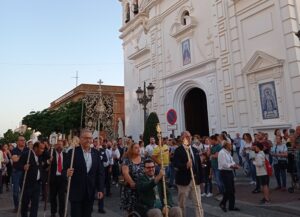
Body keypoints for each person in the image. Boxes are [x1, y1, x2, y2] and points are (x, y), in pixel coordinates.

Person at [65, 129, 105, 217]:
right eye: (86, 138)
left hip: (90, 192)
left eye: (90, 138)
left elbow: (100, 173)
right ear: (80, 138)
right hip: (76, 192)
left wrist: (100, 189)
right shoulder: (73, 152)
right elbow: (65, 169)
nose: (88, 140)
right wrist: (67, 173)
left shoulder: (96, 153)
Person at [173, 131, 203, 217]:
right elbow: (175, 164)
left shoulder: (194, 150)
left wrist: (201, 180)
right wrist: (185, 166)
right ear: (182, 139)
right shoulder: (178, 151)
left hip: (195, 180)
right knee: (182, 204)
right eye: (186, 137)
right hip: (183, 182)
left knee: (198, 203)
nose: (189, 138)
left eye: (190, 136)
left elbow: (198, 166)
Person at [18, 141, 47, 217]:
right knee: (25, 204)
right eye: (41, 148)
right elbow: (18, 165)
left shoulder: (40, 156)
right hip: (27, 184)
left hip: (37, 184)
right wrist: (24, 167)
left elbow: (41, 165)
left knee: (35, 204)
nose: (42, 150)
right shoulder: (26, 155)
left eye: (43, 149)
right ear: (35, 148)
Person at [120, 143, 145, 214]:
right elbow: (125, 173)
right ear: (131, 150)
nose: (138, 149)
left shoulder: (143, 159)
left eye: (138, 147)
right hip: (131, 189)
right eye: (136, 148)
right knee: (131, 211)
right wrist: (132, 183)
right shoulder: (127, 160)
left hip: (142, 187)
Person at [218, 141, 240, 212]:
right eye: (230, 145)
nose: (231, 146)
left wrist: (234, 165)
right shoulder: (222, 153)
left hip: (229, 171)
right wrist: (232, 166)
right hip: (224, 172)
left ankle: (231, 206)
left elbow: (231, 161)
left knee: (232, 190)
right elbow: (223, 164)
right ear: (226, 146)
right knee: (228, 190)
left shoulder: (228, 152)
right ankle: (222, 203)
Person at [49, 140, 67, 217]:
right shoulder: (51, 154)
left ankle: (61, 213)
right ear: (55, 146)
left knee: (62, 198)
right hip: (53, 178)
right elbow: (45, 166)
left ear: (63, 146)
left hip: (62, 179)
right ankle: (53, 212)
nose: (59, 146)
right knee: (53, 197)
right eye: (57, 145)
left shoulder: (66, 155)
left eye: (61, 145)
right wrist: (48, 161)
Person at [11, 136, 28, 212]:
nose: (23, 141)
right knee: (15, 191)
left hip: (26, 172)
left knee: (25, 191)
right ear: (17, 142)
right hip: (16, 172)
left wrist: (19, 157)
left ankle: (25, 206)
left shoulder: (27, 149)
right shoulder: (14, 150)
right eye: (21, 140)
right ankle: (17, 206)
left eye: (24, 140)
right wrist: (23, 156)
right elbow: (14, 159)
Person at [210, 135, 224, 200]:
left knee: (219, 180)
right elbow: (209, 155)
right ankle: (220, 192)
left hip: (218, 166)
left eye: (211, 140)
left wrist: (211, 155)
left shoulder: (219, 146)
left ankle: (223, 193)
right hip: (214, 166)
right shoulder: (212, 147)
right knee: (217, 181)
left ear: (214, 140)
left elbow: (216, 156)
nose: (210, 141)